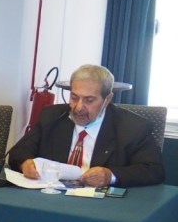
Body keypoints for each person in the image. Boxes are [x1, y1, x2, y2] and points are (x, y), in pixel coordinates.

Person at [9, 64, 164, 188]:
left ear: (107, 99)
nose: (78, 107)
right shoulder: (52, 116)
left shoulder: (133, 127)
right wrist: (25, 164)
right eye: (74, 97)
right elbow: (18, 153)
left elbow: (154, 170)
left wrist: (111, 176)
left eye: (89, 100)